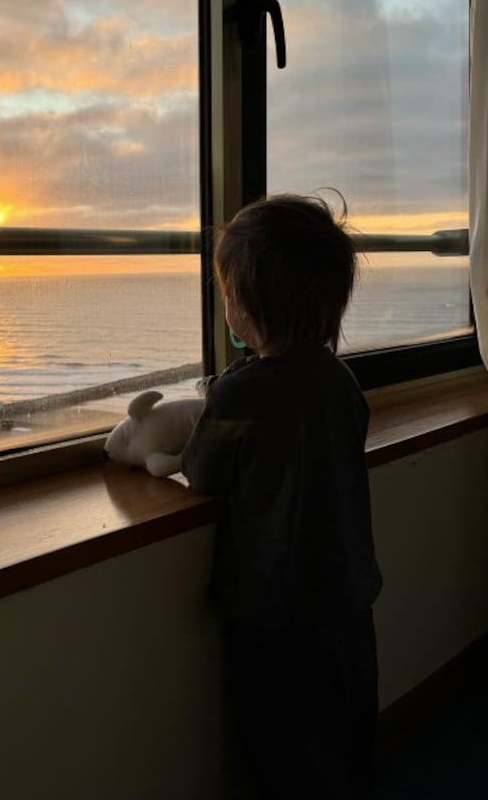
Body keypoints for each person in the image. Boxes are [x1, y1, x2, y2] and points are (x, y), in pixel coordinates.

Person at [182, 193, 383, 800]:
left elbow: (201, 472)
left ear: (246, 309)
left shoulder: (239, 395)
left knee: (279, 753)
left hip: (276, 612)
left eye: (227, 294)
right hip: (348, 600)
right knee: (343, 742)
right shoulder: (338, 380)